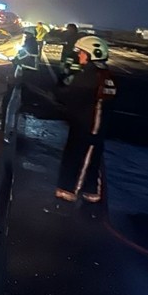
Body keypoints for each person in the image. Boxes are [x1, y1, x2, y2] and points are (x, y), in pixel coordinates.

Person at [55, 35, 116, 203]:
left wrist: (60, 89)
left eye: (82, 53)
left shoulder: (90, 75)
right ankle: (90, 191)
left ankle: (70, 191)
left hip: (87, 126)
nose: (79, 56)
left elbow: (71, 95)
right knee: (92, 156)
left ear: (91, 54)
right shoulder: (105, 74)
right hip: (91, 123)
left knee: (81, 156)